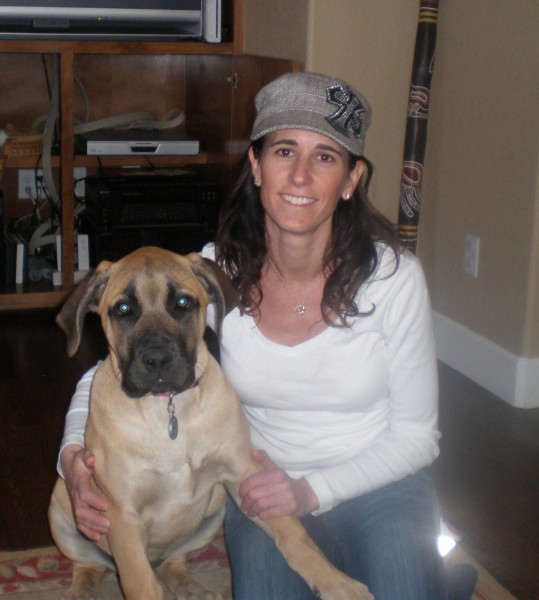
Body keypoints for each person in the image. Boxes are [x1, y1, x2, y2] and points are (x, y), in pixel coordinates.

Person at [58, 72, 476, 599]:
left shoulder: (394, 280)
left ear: (351, 179)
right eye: (284, 151)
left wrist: (310, 491)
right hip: (261, 490)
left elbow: (418, 438)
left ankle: (437, 580)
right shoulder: (214, 273)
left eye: (325, 156)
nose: (300, 175)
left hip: (378, 484)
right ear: (256, 166)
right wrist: (74, 460)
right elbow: (115, 370)